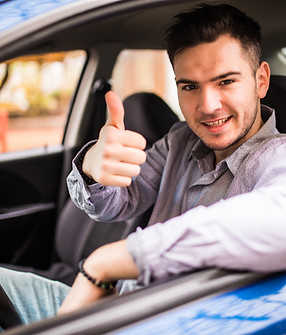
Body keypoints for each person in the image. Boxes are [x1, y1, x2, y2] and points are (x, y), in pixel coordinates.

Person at [1, 2, 286, 325]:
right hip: (114, 305)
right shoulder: (180, 141)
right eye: (190, 86)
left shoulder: (278, 157)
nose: (208, 105)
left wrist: (109, 262)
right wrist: (94, 169)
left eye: (226, 82)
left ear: (261, 80)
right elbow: (114, 206)